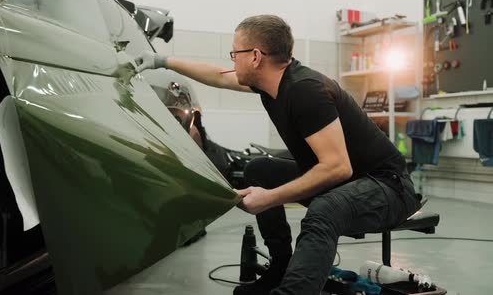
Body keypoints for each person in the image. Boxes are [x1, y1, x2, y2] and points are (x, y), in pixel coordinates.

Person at [135, 15, 421, 295]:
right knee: (260, 171)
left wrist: (269, 198)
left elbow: (337, 168)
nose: (232, 60)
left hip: (389, 188)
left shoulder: (305, 91)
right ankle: (282, 268)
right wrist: (161, 61)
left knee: (325, 209)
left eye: (235, 53)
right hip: (350, 184)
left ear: (256, 56)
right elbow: (217, 76)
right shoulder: (271, 83)